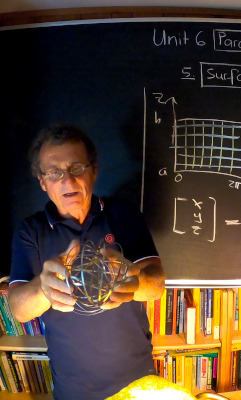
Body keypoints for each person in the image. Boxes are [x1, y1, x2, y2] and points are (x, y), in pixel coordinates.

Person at [8, 123, 166, 400]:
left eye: (77, 168)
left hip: (139, 384)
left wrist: (134, 280)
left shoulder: (124, 214)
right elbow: (19, 310)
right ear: (42, 182)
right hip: (74, 391)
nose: (67, 181)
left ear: (94, 171)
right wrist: (43, 287)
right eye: (54, 172)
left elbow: (156, 286)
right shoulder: (30, 231)